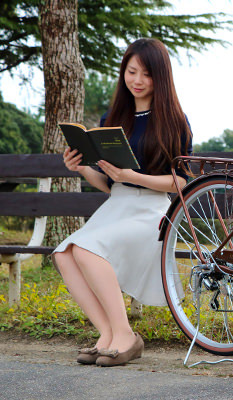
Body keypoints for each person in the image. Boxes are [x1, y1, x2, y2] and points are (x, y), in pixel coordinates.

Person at [53, 38, 193, 367]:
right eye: (131, 71)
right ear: (123, 73)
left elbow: (183, 181)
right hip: (118, 205)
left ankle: (125, 336)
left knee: (87, 249)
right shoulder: (113, 118)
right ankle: (108, 334)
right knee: (65, 254)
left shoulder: (173, 119)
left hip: (152, 210)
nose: (138, 80)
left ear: (161, 77)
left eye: (147, 74)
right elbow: (107, 183)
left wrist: (134, 177)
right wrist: (81, 166)